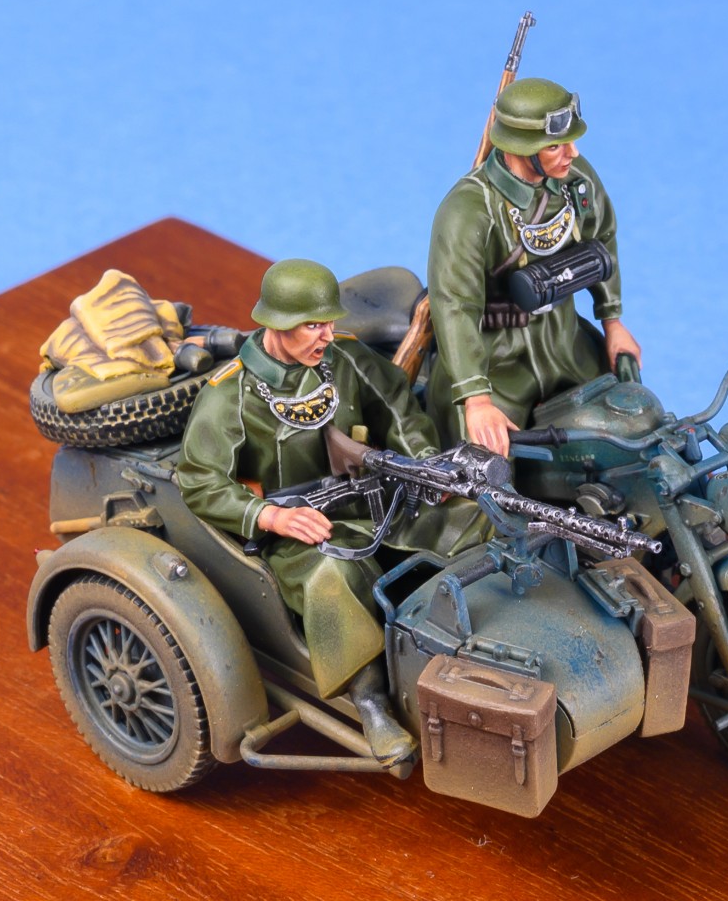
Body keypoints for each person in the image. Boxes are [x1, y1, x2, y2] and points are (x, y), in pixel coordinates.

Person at [176, 258, 489, 767]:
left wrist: (426, 467)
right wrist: (269, 517)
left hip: (375, 498)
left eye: (328, 323)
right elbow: (199, 481)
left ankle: (478, 637)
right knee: (331, 575)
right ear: (277, 324)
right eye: (311, 325)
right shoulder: (230, 394)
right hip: (299, 530)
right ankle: (371, 700)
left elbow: (398, 408)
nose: (325, 335)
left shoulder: (345, 358)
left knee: (470, 517)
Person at [427, 77, 642, 456]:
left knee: (629, 420)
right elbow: (455, 305)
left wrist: (613, 322)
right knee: (483, 464)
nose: (573, 153)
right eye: (555, 145)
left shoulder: (576, 180)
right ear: (520, 149)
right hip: (495, 362)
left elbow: (602, 239)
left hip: (566, 342)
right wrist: (475, 398)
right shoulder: (467, 211)